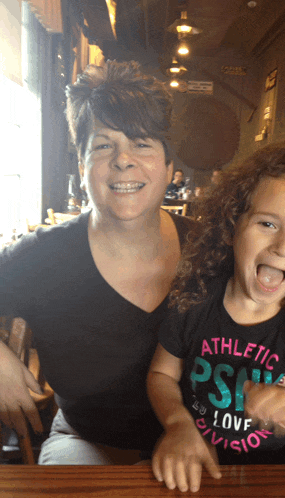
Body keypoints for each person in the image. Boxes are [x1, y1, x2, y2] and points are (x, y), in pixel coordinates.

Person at [0, 60, 197, 464]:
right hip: (86, 441)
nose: (123, 159)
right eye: (103, 145)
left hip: (198, 441)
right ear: (82, 167)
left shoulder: (208, 249)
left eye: (142, 143)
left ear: (169, 167)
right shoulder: (45, 256)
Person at [147, 140, 285, 492]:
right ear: (233, 227)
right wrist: (178, 424)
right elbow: (161, 373)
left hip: (272, 481)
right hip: (190, 468)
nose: (283, 247)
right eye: (267, 224)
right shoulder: (194, 301)